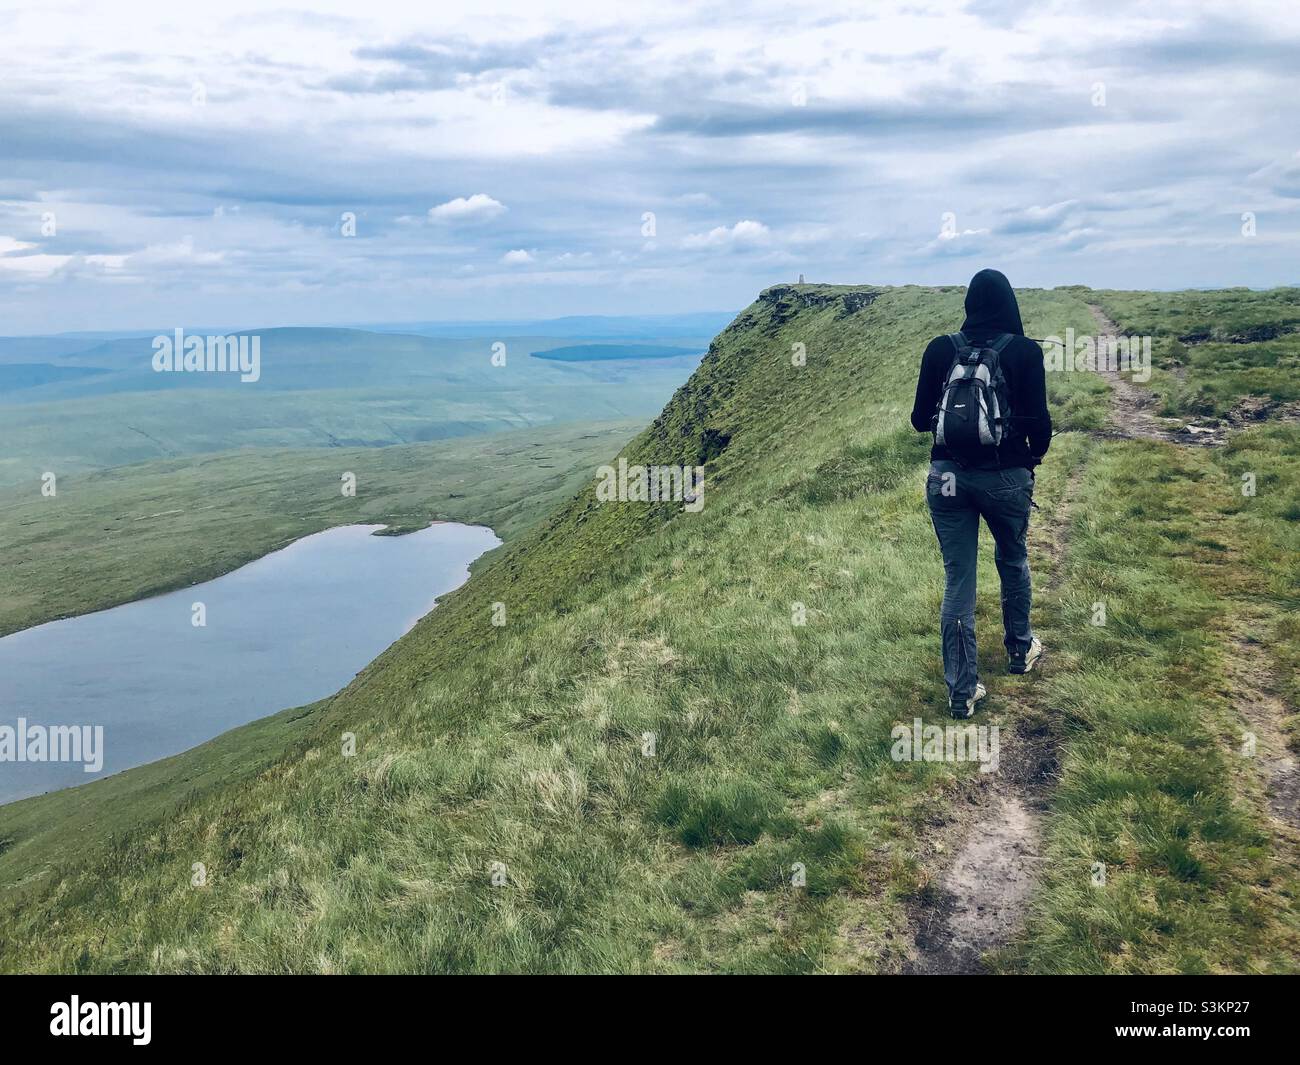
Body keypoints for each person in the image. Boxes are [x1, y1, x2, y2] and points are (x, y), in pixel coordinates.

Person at [909, 268, 1051, 718]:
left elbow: (918, 420)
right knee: (1012, 559)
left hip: (948, 478)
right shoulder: (1024, 351)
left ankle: (962, 690)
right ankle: (1019, 650)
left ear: (969, 303)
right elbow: (1039, 427)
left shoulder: (941, 348)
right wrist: (1029, 459)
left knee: (959, 581)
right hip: (1006, 477)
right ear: (1010, 303)